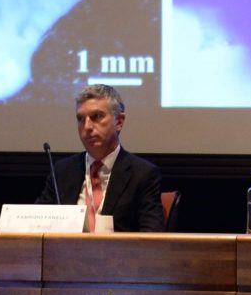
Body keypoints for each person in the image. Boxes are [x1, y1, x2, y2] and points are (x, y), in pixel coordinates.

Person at [37, 85, 167, 232]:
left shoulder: (143, 174)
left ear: (119, 122)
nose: (87, 127)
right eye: (80, 119)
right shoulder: (63, 171)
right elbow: (35, 224)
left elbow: (152, 234)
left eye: (96, 116)